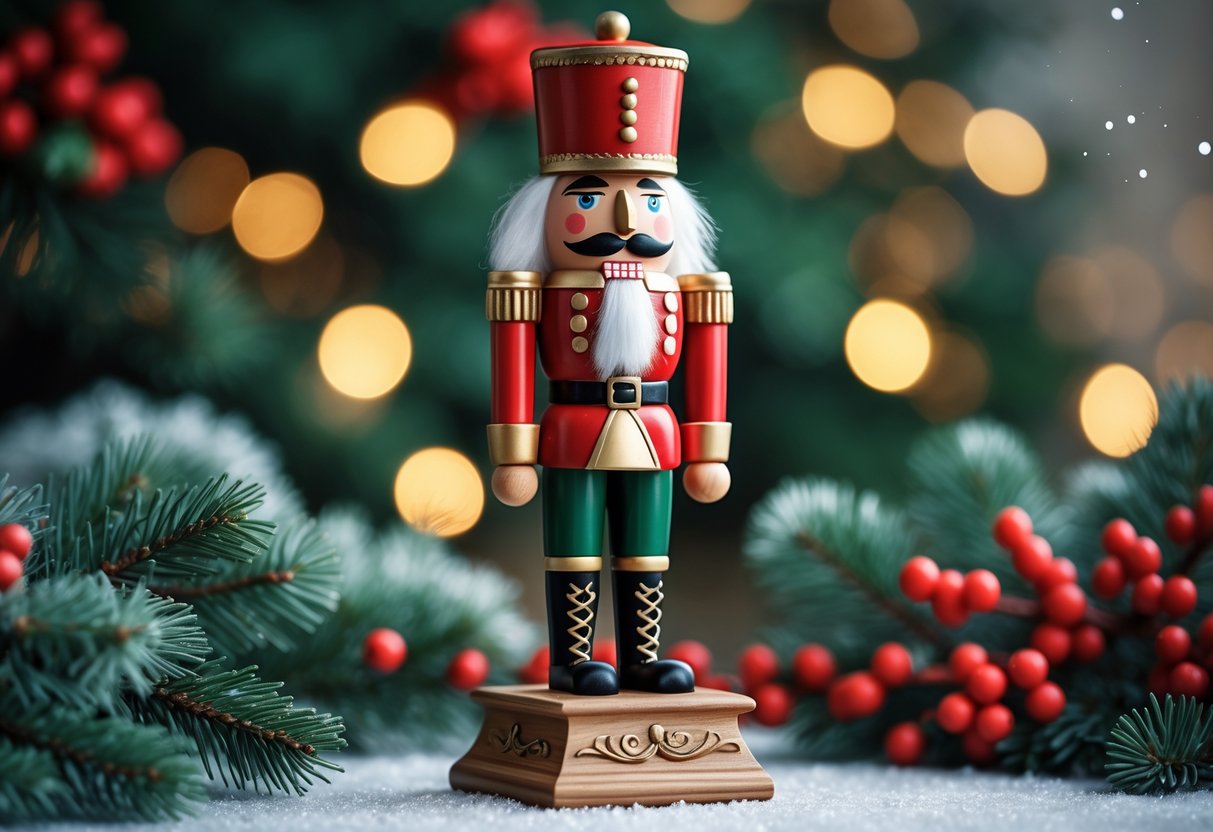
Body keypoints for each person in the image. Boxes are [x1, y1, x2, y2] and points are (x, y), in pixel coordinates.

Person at [484, 11, 733, 696]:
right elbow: (512, 361)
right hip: (571, 428)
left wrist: (708, 449)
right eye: (590, 197)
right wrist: (513, 452)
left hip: (655, 428)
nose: (624, 222)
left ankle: (641, 655)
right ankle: (572, 656)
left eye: (648, 200)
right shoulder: (532, 289)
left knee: (645, 548)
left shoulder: (689, 287)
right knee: (574, 547)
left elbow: (708, 364)